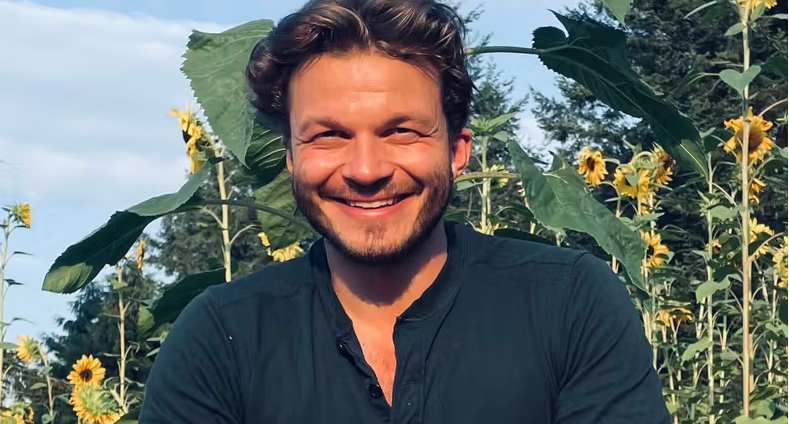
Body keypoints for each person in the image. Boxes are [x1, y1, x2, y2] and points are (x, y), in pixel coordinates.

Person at [138, 0, 670, 422]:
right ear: (292, 159)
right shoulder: (222, 337)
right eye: (328, 136)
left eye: (402, 131)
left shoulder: (567, 305)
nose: (366, 169)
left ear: (457, 151)